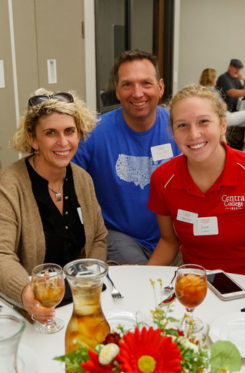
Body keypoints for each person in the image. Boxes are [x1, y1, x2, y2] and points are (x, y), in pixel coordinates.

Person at [0, 89, 107, 322]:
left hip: (80, 297)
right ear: (33, 139)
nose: (63, 142)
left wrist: (88, 282)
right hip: (33, 306)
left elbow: (99, 238)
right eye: (50, 133)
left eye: (69, 131)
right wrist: (25, 291)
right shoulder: (9, 184)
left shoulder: (82, 179)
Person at [148, 85, 245, 279]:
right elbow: (169, 242)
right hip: (197, 282)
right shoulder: (163, 179)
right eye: (182, 125)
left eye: (203, 122)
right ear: (173, 131)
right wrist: (143, 276)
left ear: (222, 125)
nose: (194, 134)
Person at [72, 49, 179, 265]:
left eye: (146, 83)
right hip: (121, 236)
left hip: (176, 233)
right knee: (140, 287)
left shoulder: (179, 127)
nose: (137, 93)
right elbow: (59, 178)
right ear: (117, 91)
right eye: (127, 84)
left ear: (161, 87)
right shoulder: (94, 134)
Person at [201, 67, 245, 152]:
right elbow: (222, 107)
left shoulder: (203, 90)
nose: (217, 78)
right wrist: (223, 105)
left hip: (224, 117)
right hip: (226, 117)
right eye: (215, 76)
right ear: (212, 77)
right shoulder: (212, 90)